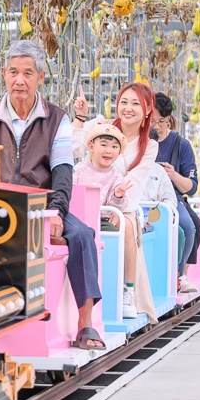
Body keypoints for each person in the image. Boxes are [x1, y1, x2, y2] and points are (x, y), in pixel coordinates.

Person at [0, 40, 106, 351]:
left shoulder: (57, 119)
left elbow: (62, 172)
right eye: (13, 72)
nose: (20, 80)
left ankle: (86, 324)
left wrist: (57, 212)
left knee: (82, 235)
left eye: (28, 73)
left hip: (44, 206)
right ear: (3, 74)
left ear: (41, 76)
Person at [71, 82, 159, 323]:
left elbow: (133, 181)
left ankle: (127, 291)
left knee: (127, 225)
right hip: (88, 205)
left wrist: (115, 201)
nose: (127, 108)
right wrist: (80, 117)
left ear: (148, 110)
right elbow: (75, 147)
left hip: (121, 206)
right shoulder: (102, 127)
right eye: (123, 102)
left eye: (135, 104)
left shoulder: (149, 146)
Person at [72, 123, 139, 318]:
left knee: (121, 230)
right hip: (79, 218)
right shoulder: (79, 170)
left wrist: (118, 195)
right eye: (104, 144)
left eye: (114, 147)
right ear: (91, 146)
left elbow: (115, 209)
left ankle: (127, 290)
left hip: (101, 220)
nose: (109, 150)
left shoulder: (116, 176)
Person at [150, 93, 200, 293]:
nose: (157, 126)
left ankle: (178, 275)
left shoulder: (181, 144)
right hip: (142, 195)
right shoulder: (137, 140)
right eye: (152, 121)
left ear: (169, 120)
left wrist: (172, 175)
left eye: (162, 121)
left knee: (188, 225)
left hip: (171, 196)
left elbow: (192, 186)